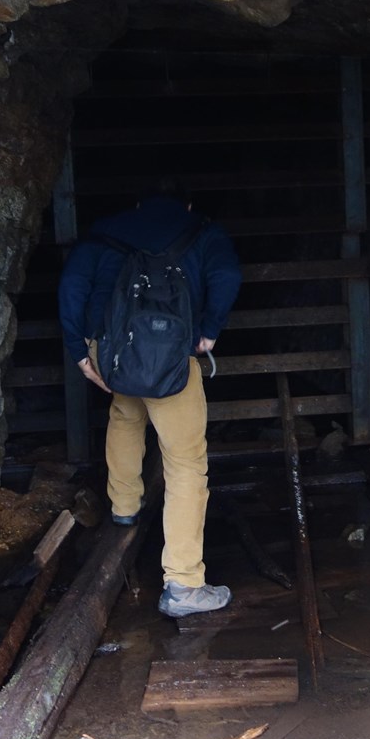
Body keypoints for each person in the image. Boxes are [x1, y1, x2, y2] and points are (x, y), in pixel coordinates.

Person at [58, 181, 242, 618]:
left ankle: (124, 507)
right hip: (169, 355)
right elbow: (228, 275)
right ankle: (183, 583)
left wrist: (79, 350)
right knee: (185, 463)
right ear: (189, 201)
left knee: (125, 412)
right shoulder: (202, 231)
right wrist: (211, 329)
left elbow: (71, 284)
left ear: (138, 202)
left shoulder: (107, 230)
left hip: (112, 350)